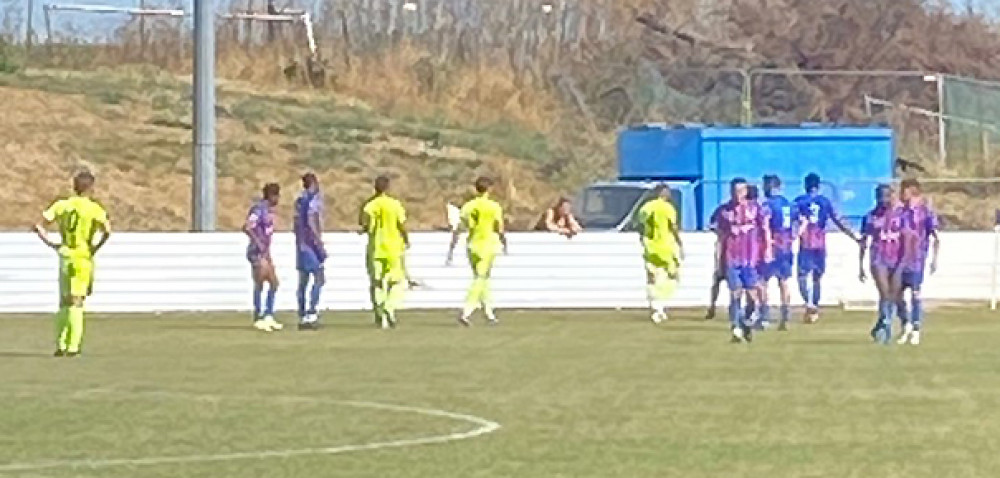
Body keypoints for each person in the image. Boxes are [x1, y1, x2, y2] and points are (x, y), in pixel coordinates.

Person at [33, 171, 111, 357]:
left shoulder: (62, 205)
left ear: (74, 186)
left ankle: (61, 344)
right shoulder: (93, 208)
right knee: (77, 301)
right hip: (82, 256)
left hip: (65, 255)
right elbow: (107, 231)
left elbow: (38, 225)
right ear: (91, 188)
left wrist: (52, 244)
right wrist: (95, 248)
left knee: (63, 302)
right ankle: (73, 346)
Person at [794, 173, 860, 323]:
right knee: (817, 277)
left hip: (806, 242)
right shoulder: (825, 202)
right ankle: (814, 306)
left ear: (805, 185)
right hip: (820, 242)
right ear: (818, 186)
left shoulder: (799, 202)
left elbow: (792, 220)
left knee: (803, 275)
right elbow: (838, 219)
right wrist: (854, 235)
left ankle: (809, 304)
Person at [716, 178, 772, 343]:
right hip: (732, 257)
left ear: (746, 192)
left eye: (740, 191)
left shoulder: (755, 209)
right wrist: (719, 259)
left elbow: (765, 229)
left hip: (750, 258)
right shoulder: (724, 211)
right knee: (735, 293)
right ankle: (735, 327)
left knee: (752, 295)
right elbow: (720, 237)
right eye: (734, 191)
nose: (737, 194)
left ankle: (746, 321)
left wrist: (768, 249)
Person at [447, 176, 508, 326]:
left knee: (483, 279)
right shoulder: (494, 206)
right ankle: (466, 311)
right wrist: (504, 242)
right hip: (488, 246)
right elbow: (499, 228)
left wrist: (452, 247)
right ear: (489, 189)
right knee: (480, 280)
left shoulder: (468, 206)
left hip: (472, 246)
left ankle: (489, 314)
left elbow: (459, 228)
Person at [360, 175, 410, 329]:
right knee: (396, 282)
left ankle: (380, 313)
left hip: (376, 248)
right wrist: (406, 239)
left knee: (376, 283)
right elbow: (401, 224)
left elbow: (365, 225)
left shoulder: (370, 206)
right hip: (393, 248)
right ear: (388, 188)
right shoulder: (395, 205)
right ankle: (390, 307)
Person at [859, 184, 905, 344]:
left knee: (894, 295)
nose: (883, 200)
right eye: (880, 197)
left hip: (897, 258)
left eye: (886, 196)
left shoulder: (901, 215)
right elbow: (864, 241)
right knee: (884, 293)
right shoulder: (871, 217)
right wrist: (861, 265)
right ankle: (886, 328)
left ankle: (882, 322)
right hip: (879, 258)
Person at [896, 179, 940, 345]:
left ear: (912, 191)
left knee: (915, 294)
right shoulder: (899, 212)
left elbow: (936, 237)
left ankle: (915, 328)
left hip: (917, 259)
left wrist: (934, 259)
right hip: (899, 260)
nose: (901, 194)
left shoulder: (925, 213)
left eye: (904, 191)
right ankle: (905, 323)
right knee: (896, 295)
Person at [635, 184, 683, 324]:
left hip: (650, 247)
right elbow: (672, 226)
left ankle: (655, 307)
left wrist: (644, 238)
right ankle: (660, 306)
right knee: (672, 277)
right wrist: (680, 243)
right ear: (664, 193)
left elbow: (639, 224)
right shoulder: (667, 208)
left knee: (652, 278)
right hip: (666, 247)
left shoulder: (646, 207)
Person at [244, 183, 283, 332]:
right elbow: (247, 227)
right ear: (272, 196)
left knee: (273, 283)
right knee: (260, 282)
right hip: (257, 252)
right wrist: (258, 243)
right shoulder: (258, 209)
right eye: (277, 196)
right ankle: (259, 316)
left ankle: (268, 314)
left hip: (265, 252)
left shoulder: (268, 211)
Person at [760, 175, 796, 331]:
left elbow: (765, 225)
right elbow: (799, 221)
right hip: (786, 246)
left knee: (763, 282)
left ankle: (764, 317)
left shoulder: (768, 205)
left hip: (773, 245)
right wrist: (793, 237)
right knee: (784, 282)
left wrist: (767, 246)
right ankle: (785, 316)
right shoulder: (788, 204)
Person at [294, 173, 326, 330]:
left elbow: (296, 223)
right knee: (319, 278)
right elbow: (312, 220)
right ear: (313, 183)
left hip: (300, 244)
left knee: (303, 281)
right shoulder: (313, 200)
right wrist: (318, 242)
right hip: (310, 245)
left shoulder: (299, 200)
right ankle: (311, 313)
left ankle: (301, 314)